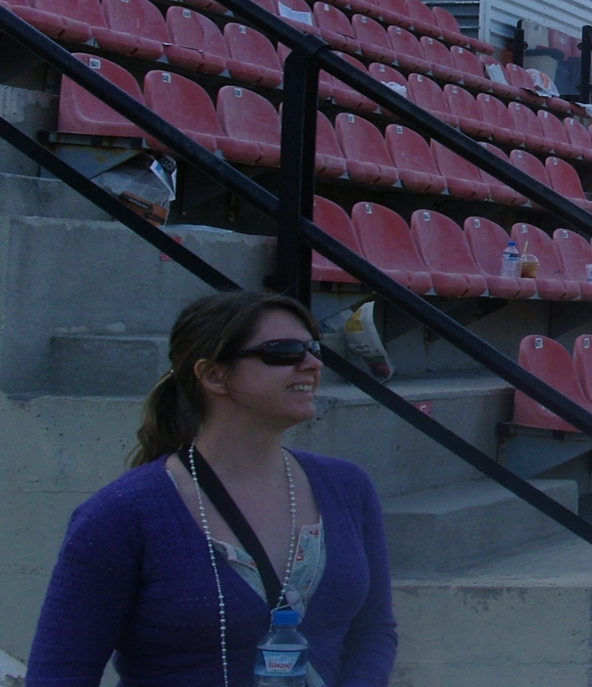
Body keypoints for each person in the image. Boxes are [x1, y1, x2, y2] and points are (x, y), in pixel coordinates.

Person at [27, 291, 398, 687]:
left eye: (313, 349)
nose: (312, 364)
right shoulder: (120, 515)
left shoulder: (347, 487)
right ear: (214, 375)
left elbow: (373, 630)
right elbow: (60, 673)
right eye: (284, 352)